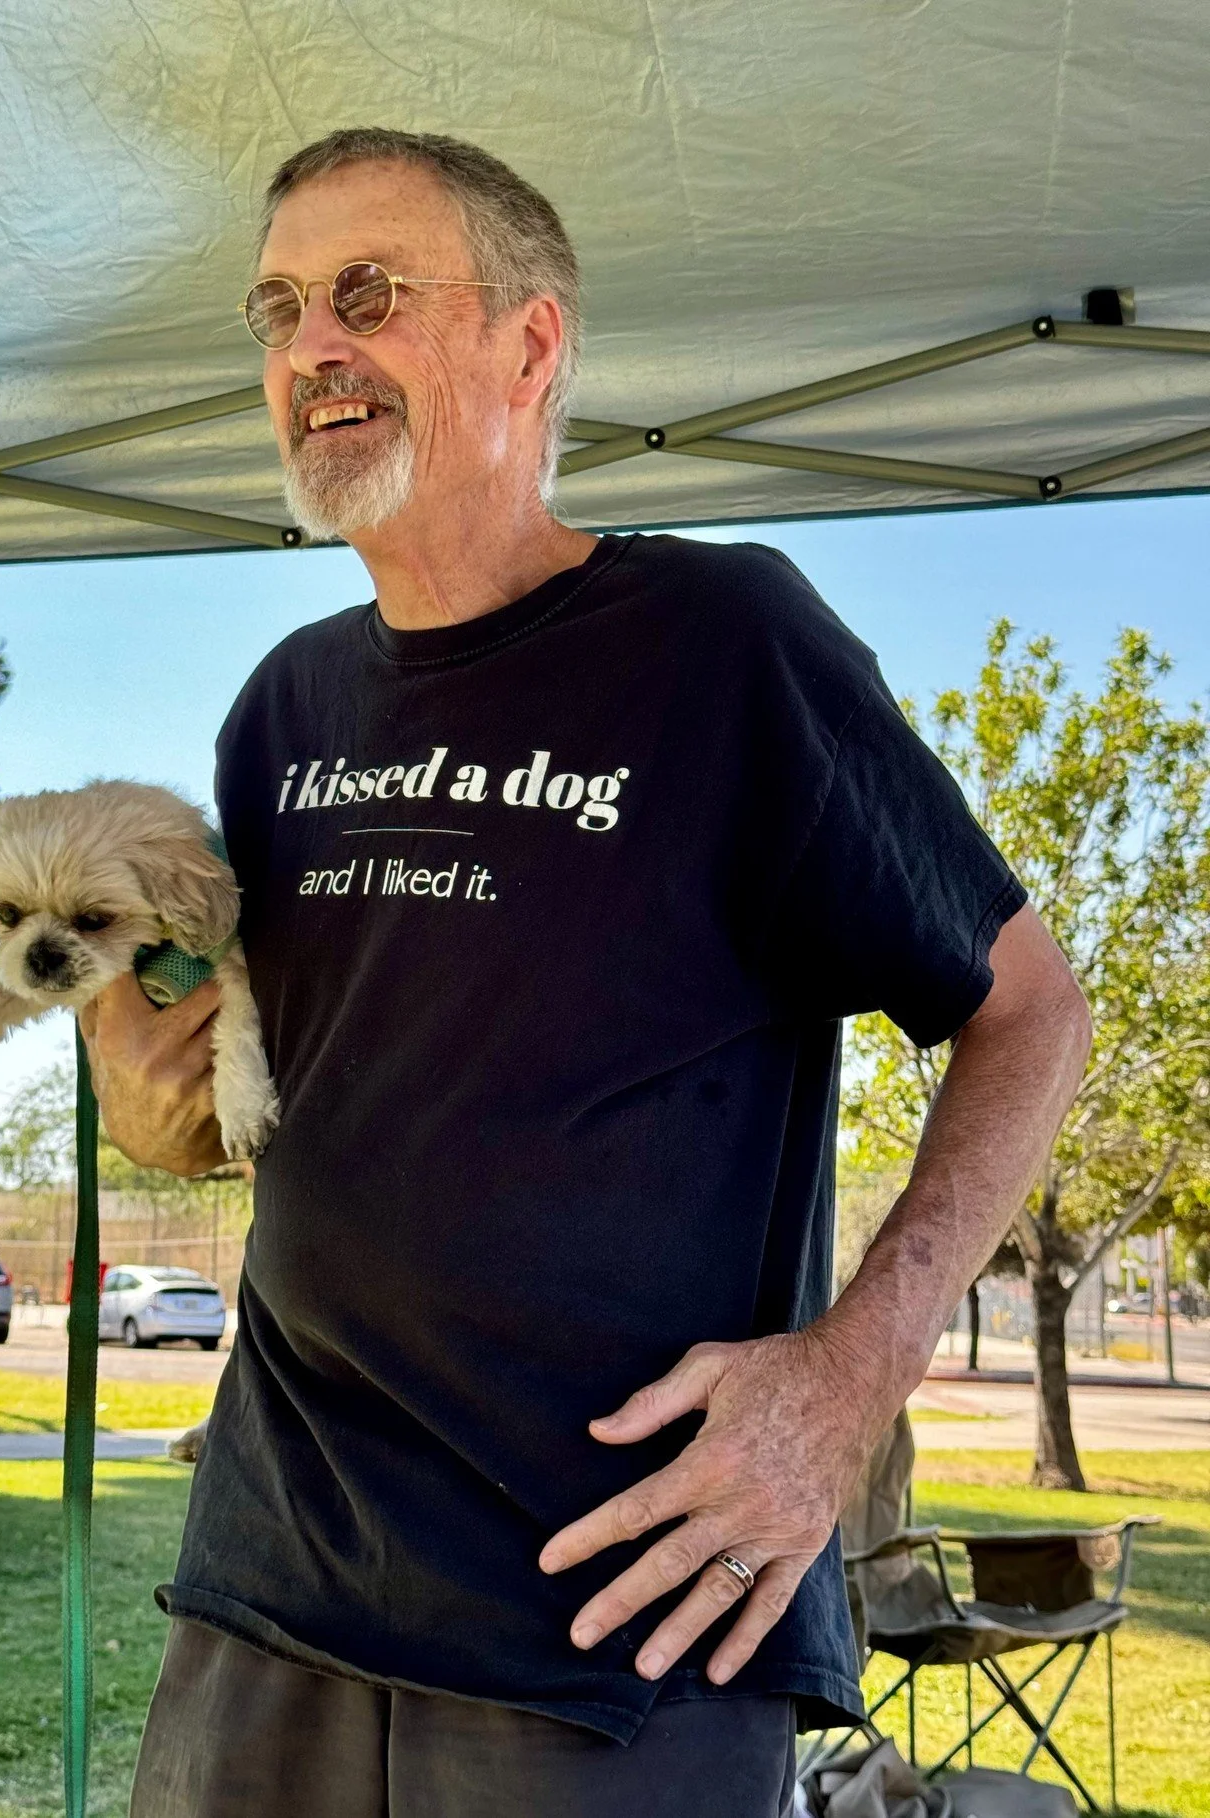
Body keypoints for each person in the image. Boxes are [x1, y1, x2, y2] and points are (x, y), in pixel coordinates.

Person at [81, 130, 1092, 1817]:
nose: (309, 347)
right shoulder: (283, 707)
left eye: (368, 295)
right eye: (277, 312)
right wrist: (140, 1091)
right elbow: (274, 1106)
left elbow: (1033, 1011)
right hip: (274, 1591)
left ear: (529, 346)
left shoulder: (723, 644)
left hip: (619, 1618)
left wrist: (853, 1372)